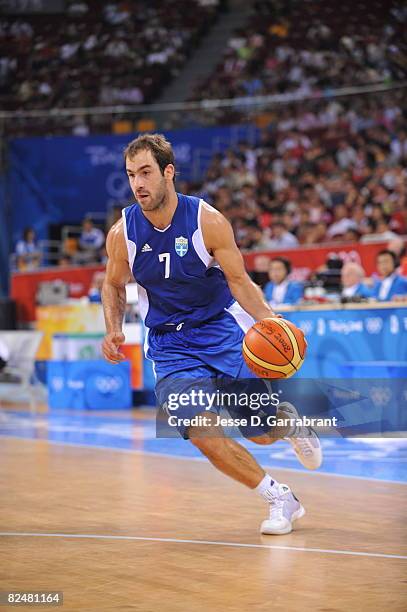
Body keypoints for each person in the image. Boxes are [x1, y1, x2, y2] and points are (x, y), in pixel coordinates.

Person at [102, 133, 322, 536]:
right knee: (200, 431)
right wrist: (113, 328)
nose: (138, 183)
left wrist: (272, 321)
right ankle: (279, 498)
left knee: (261, 432)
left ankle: (286, 425)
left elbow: (238, 281)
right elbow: (113, 285)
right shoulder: (123, 233)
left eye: (146, 172)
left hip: (221, 332)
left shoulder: (208, 221)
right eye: (132, 174)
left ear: (169, 172)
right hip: (170, 346)